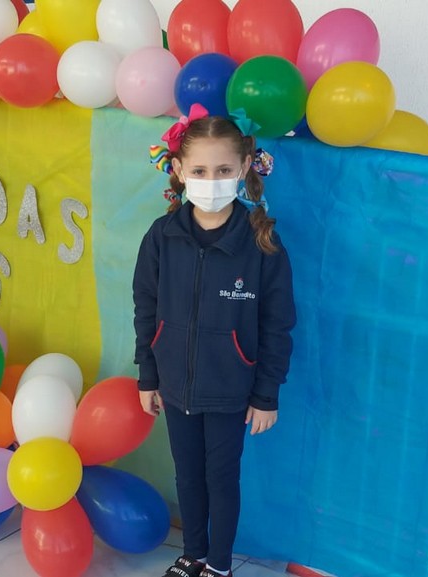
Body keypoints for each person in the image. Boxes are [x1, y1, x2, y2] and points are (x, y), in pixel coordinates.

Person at [133, 104, 297, 577]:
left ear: (244, 168)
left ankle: (219, 565)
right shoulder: (162, 236)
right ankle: (194, 554)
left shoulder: (262, 242)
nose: (211, 180)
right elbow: (146, 309)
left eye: (223, 170)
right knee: (187, 475)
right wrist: (149, 377)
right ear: (179, 170)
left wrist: (266, 395)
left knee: (221, 479)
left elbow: (277, 324)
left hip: (231, 391)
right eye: (200, 171)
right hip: (174, 387)